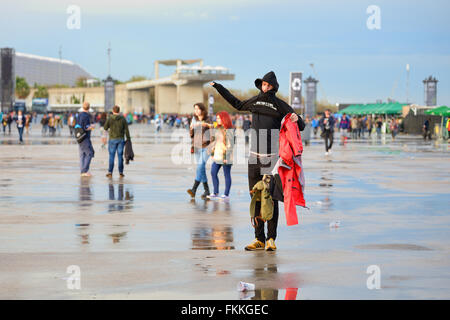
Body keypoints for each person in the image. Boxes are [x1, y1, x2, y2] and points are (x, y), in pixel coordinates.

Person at [210, 71, 305, 251]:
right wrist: (219, 88)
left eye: (268, 85)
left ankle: (271, 239)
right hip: (254, 157)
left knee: (271, 198)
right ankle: (259, 239)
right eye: (263, 84)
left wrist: (297, 118)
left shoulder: (280, 105)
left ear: (274, 87)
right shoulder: (254, 101)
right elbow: (236, 103)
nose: (265, 87)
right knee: (256, 197)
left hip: (272, 158)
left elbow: (300, 125)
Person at [187, 103, 213, 199]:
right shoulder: (194, 120)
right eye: (195, 109)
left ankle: (194, 189)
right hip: (197, 147)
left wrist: (205, 124)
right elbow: (191, 135)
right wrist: (191, 128)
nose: (196, 111)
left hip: (206, 147)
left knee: (200, 166)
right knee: (201, 169)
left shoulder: (208, 119)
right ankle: (207, 190)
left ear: (202, 110)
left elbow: (212, 133)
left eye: (198, 109)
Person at [207, 111, 235, 200]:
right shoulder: (218, 129)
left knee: (226, 174)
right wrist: (212, 153)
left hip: (226, 156)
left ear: (224, 119)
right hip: (217, 156)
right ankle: (215, 192)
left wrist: (226, 157)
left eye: (219, 118)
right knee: (213, 172)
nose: (217, 119)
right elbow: (215, 142)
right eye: (217, 118)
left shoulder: (229, 130)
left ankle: (226, 194)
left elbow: (230, 146)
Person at [103, 106, 130, 178]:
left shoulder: (110, 118)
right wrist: (128, 139)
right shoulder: (123, 119)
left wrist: (104, 137)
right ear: (119, 111)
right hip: (121, 139)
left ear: (113, 111)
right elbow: (126, 130)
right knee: (120, 156)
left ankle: (110, 172)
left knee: (111, 156)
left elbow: (105, 128)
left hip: (112, 139)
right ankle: (121, 172)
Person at [77, 102, 96, 177]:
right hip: (85, 137)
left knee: (82, 154)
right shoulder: (86, 116)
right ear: (89, 107)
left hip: (79, 137)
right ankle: (84, 170)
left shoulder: (79, 115)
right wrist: (92, 126)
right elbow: (85, 127)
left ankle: (82, 171)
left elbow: (78, 125)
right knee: (90, 153)